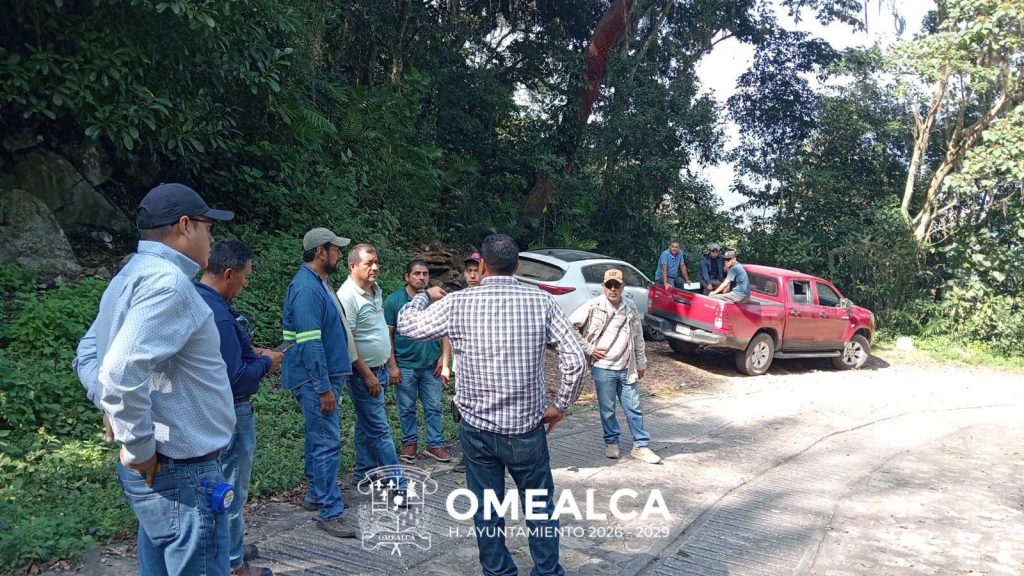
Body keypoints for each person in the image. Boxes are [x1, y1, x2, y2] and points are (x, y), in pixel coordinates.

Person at [398, 233, 587, 576]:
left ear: (482, 265)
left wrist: (424, 295)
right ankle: (547, 570)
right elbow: (575, 360)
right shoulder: (541, 302)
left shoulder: (457, 304)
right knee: (540, 506)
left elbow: (407, 326)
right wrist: (560, 406)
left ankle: (499, 571)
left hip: (478, 430)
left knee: (486, 507)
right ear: (517, 266)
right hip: (526, 430)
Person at [73, 183, 236, 575]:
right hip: (182, 472)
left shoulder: (129, 275)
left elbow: (89, 354)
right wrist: (139, 445)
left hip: (166, 472)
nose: (211, 238)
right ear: (185, 225)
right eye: (208, 227)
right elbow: (119, 372)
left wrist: (113, 409)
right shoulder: (169, 285)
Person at [195, 239, 283, 576]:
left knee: (223, 485)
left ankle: (230, 545)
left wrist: (251, 352)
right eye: (245, 277)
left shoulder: (198, 298)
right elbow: (236, 377)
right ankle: (233, 563)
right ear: (229, 274)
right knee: (230, 488)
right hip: (231, 410)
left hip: (214, 410)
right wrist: (267, 363)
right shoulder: (218, 315)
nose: (246, 285)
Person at [280, 227, 358, 538]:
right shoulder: (307, 289)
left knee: (319, 437)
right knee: (327, 441)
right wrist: (323, 386)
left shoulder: (318, 283)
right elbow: (310, 342)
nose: (339, 254)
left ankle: (316, 494)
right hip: (314, 380)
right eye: (335, 249)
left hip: (321, 377)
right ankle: (330, 510)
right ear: (320, 251)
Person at [569, 269, 661, 465]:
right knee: (607, 408)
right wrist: (589, 349)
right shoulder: (594, 305)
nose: (613, 289)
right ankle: (611, 442)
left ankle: (641, 445)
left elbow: (638, 336)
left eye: (616, 285)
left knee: (634, 407)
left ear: (622, 286)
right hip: (603, 368)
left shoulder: (629, 306)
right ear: (603, 286)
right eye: (609, 285)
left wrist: (641, 362)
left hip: (627, 367)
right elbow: (570, 326)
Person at [336, 244, 406, 491]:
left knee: (367, 424)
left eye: (376, 262)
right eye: (369, 263)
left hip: (380, 369)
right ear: (352, 266)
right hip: (363, 374)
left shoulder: (375, 290)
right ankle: (398, 483)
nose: (375, 267)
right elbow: (348, 341)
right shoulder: (347, 296)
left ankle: (363, 472)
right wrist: (367, 374)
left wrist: (388, 363)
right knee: (379, 429)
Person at [384, 259, 452, 463]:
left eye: (425, 274)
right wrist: (392, 365)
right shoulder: (394, 300)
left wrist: (444, 359)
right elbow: (388, 334)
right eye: (416, 273)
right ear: (407, 276)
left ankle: (435, 444)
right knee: (406, 408)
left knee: (434, 407)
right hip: (405, 365)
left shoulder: (436, 299)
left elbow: (446, 332)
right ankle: (410, 444)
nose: (421, 277)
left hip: (431, 365)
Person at [452, 250, 482, 473]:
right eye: (468, 271)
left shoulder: (490, 298)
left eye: (476, 270)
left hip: (484, 364)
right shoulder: (458, 300)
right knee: (462, 408)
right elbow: (447, 333)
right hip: (462, 363)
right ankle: (467, 454)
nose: (472, 275)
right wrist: (445, 363)